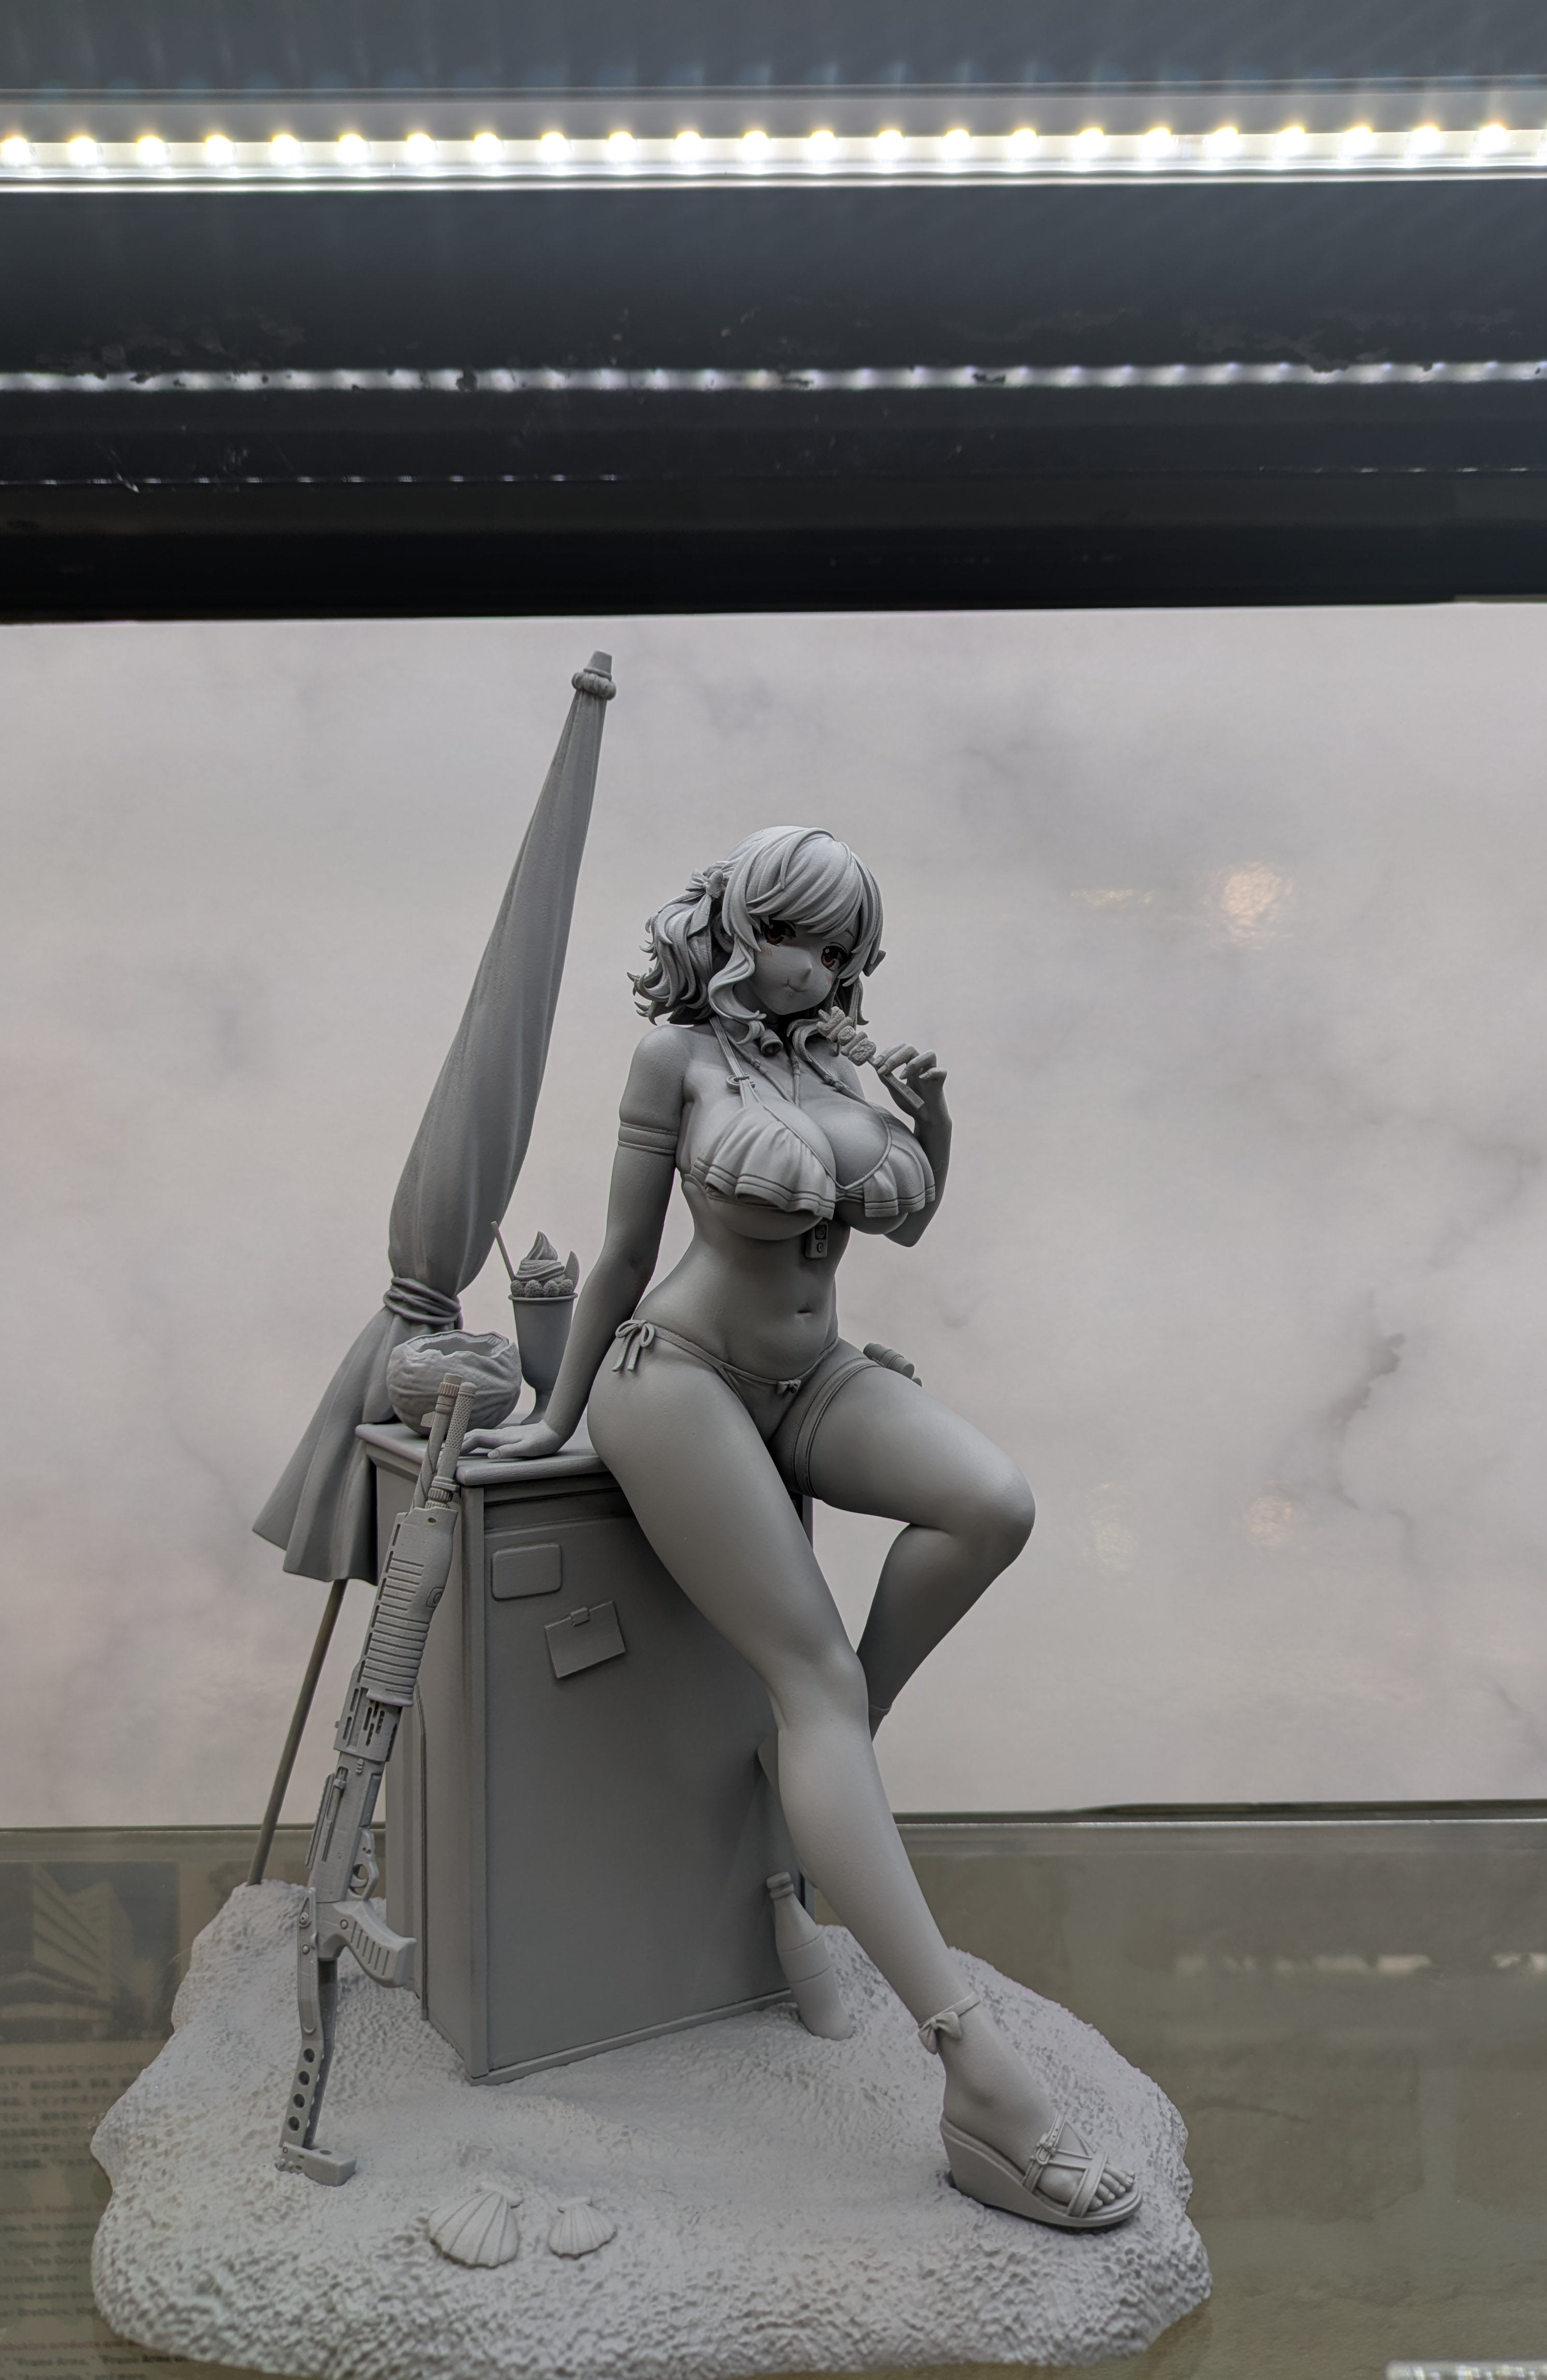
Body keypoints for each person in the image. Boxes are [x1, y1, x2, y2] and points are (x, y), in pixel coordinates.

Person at [470, 825, 1137, 2230]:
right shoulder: (677, 1059)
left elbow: (904, 1224)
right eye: (791, 935)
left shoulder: (836, 1063)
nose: (814, 967)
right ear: (732, 929)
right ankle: (975, 2071)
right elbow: (625, 1251)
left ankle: (822, 1762)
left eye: (840, 948)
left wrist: (930, 1123)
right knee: (812, 1677)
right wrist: (553, 1414)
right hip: (679, 1378)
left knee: (991, 1506)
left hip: (813, 1374)